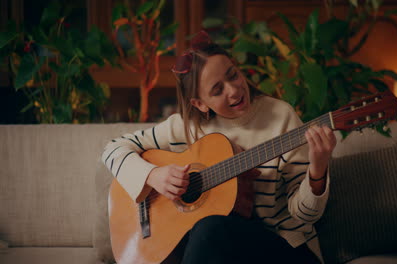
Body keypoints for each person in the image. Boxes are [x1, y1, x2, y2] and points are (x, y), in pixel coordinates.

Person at [102, 31, 336, 264]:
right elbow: (112, 149)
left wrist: (317, 170)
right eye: (217, 90)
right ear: (200, 104)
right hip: (221, 254)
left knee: (208, 228)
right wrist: (153, 175)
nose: (233, 90)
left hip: (283, 248)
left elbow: (305, 216)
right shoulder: (186, 128)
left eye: (233, 75)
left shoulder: (281, 117)